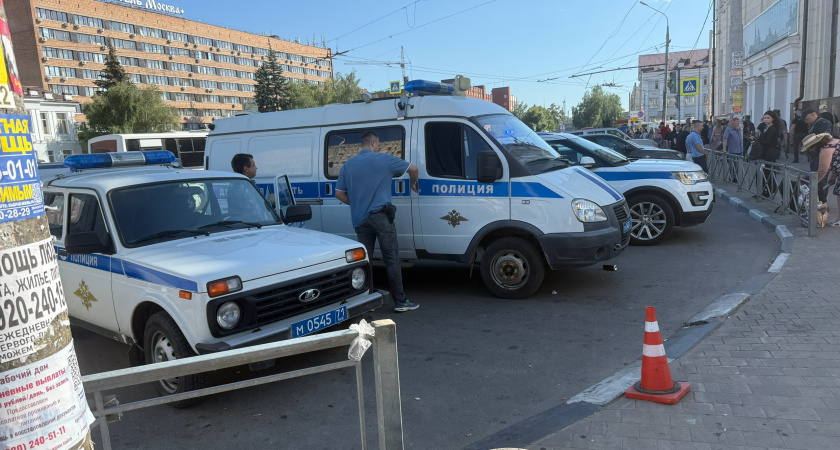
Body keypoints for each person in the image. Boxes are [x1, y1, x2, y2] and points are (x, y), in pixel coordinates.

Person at [335, 131, 420, 312]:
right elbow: (414, 169)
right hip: (381, 217)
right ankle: (401, 301)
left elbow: (339, 194)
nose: (379, 147)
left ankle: (368, 301)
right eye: (378, 144)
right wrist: (413, 183)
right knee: (391, 259)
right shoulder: (384, 159)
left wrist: (357, 202)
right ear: (373, 143)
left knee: (365, 262)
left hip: (360, 220)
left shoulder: (348, 165)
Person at [801, 133, 840, 226]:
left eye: (809, 148)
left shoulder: (826, 149)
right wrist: (833, 176)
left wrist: (813, 183)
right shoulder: (835, 142)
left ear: (815, 145)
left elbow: (823, 170)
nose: (810, 151)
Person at [228, 153, 272, 218]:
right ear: (246, 169)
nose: (256, 168)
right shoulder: (244, 187)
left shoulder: (233, 185)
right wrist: (271, 200)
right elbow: (258, 211)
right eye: (253, 165)